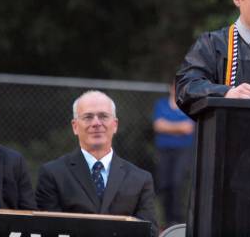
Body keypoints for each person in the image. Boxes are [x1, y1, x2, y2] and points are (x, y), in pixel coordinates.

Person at [35, 90, 158, 236]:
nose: (96, 123)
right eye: (88, 117)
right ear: (75, 126)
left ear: (115, 124)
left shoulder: (140, 179)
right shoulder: (52, 174)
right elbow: (46, 230)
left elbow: (149, 232)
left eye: (103, 116)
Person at [153, 81, 195, 227]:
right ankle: (165, 220)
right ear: (171, 88)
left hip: (183, 151)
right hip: (164, 151)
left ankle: (177, 221)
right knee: (164, 184)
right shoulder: (161, 104)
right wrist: (179, 128)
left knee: (178, 183)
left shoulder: (189, 106)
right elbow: (158, 125)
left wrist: (168, 126)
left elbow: (188, 128)